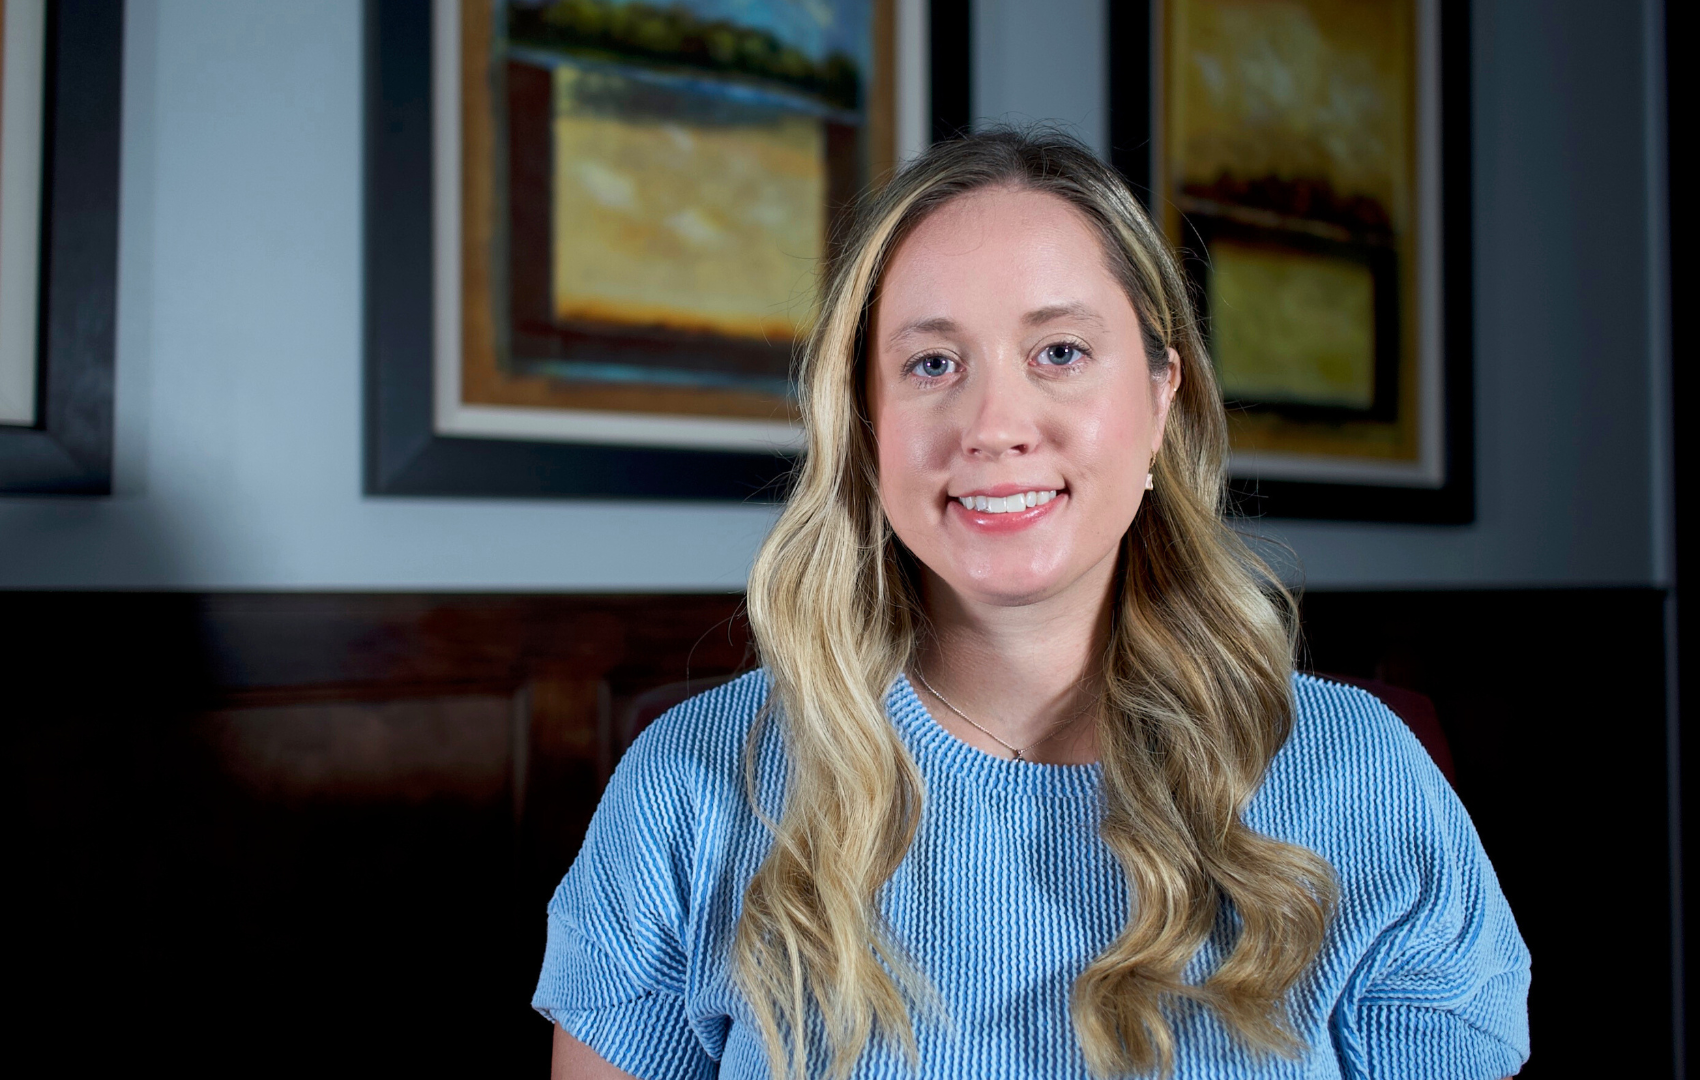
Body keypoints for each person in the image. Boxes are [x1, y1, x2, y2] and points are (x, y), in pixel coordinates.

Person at [532, 130, 1530, 1079]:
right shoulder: (689, 789)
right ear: (865, 424)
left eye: (1059, 352)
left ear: (1161, 400)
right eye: (932, 364)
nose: (994, 425)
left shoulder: (1364, 781)